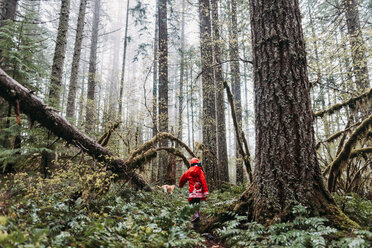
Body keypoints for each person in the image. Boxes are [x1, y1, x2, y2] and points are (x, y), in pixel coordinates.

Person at [179, 158, 209, 222]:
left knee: (192, 203)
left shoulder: (188, 171)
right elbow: (203, 181)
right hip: (199, 191)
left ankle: (195, 216)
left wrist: (181, 185)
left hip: (192, 191)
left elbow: (183, 179)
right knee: (197, 203)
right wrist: (205, 191)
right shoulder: (200, 171)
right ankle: (197, 215)